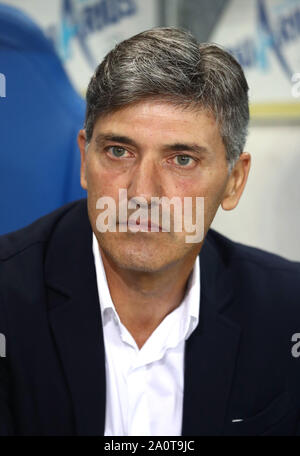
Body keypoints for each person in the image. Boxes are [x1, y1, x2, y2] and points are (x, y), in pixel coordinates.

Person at [0, 26, 299, 436]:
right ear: (85, 160)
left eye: (181, 160)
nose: (142, 193)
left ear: (234, 181)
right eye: (119, 151)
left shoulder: (288, 311)